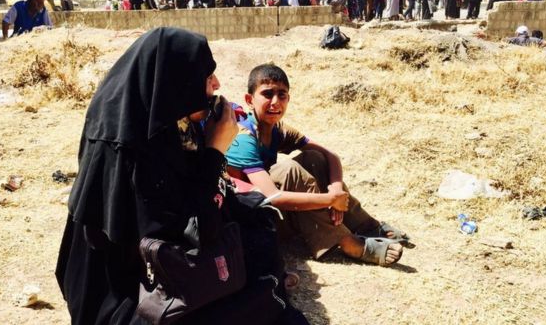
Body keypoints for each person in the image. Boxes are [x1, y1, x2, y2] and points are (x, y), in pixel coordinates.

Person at [56, 27, 308, 325]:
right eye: (207, 77)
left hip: (154, 273)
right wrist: (216, 151)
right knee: (261, 294)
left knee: (254, 217)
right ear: (176, 82)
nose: (216, 84)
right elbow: (195, 234)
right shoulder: (138, 152)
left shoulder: (154, 124)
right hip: (135, 299)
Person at [225, 64, 411, 266]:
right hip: (251, 223)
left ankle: (367, 226)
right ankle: (347, 242)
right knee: (290, 170)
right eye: (267, 94)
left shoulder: (277, 129)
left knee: (314, 158)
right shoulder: (243, 137)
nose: (275, 102)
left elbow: (330, 155)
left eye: (282, 95)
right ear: (249, 100)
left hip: (272, 213)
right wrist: (328, 200)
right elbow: (272, 197)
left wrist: (336, 192)